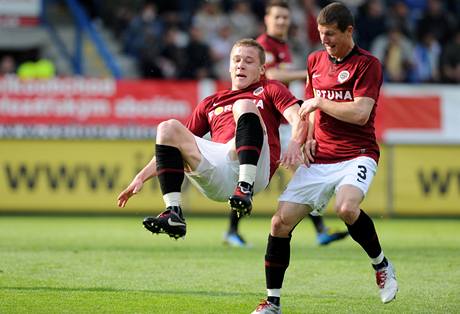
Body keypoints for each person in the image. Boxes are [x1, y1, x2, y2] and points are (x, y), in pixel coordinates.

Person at [252, 3, 398, 313]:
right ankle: (272, 303)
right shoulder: (315, 61)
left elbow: (360, 113)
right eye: (320, 34)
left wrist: (319, 101)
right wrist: (307, 139)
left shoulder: (367, 64)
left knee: (345, 208)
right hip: (320, 158)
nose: (325, 41)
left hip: (357, 154)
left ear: (349, 31)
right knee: (279, 223)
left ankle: (381, 265)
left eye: (330, 34)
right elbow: (308, 113)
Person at [117, 38, 307, 240]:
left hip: (256, 168)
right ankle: (173, 212)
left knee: (244, 105)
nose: (241, 64)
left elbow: (298, 117)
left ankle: (244, 187)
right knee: (168, 128)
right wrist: (141, 177)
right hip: (219, 170)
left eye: (249, 61)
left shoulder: (270, 88)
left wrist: (295, 143)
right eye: (236, 60)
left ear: (261, 70)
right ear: (229, 67)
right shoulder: (211, 102)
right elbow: (172, 146)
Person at [223, 0, 348, 248]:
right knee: (249, 175)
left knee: (303, 171)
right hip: (265, 120)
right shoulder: (264, 45)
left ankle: (320, 229)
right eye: (277, 17)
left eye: (285, 18)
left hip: (281, 119)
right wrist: (307, 73)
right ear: (266, 20)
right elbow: (270, 75)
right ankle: (232, 231)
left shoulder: (283, 46)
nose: (281, 21)